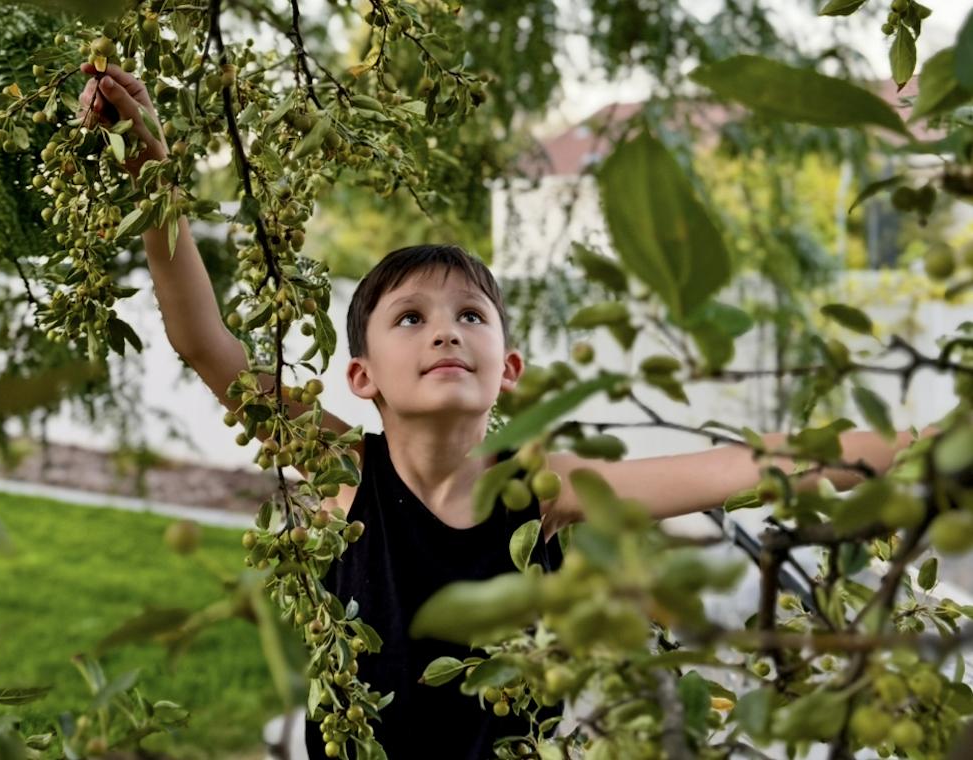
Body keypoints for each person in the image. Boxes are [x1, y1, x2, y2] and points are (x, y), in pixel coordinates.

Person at [77, 65, 925, 759]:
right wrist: (153, 173)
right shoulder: (345, 472)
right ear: (362, 376)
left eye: (470, 317)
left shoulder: (547, 491)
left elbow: (752, 465)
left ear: (507, 368)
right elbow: (203, 338)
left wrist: (922, 446)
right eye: (412, 317)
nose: (445, 331)